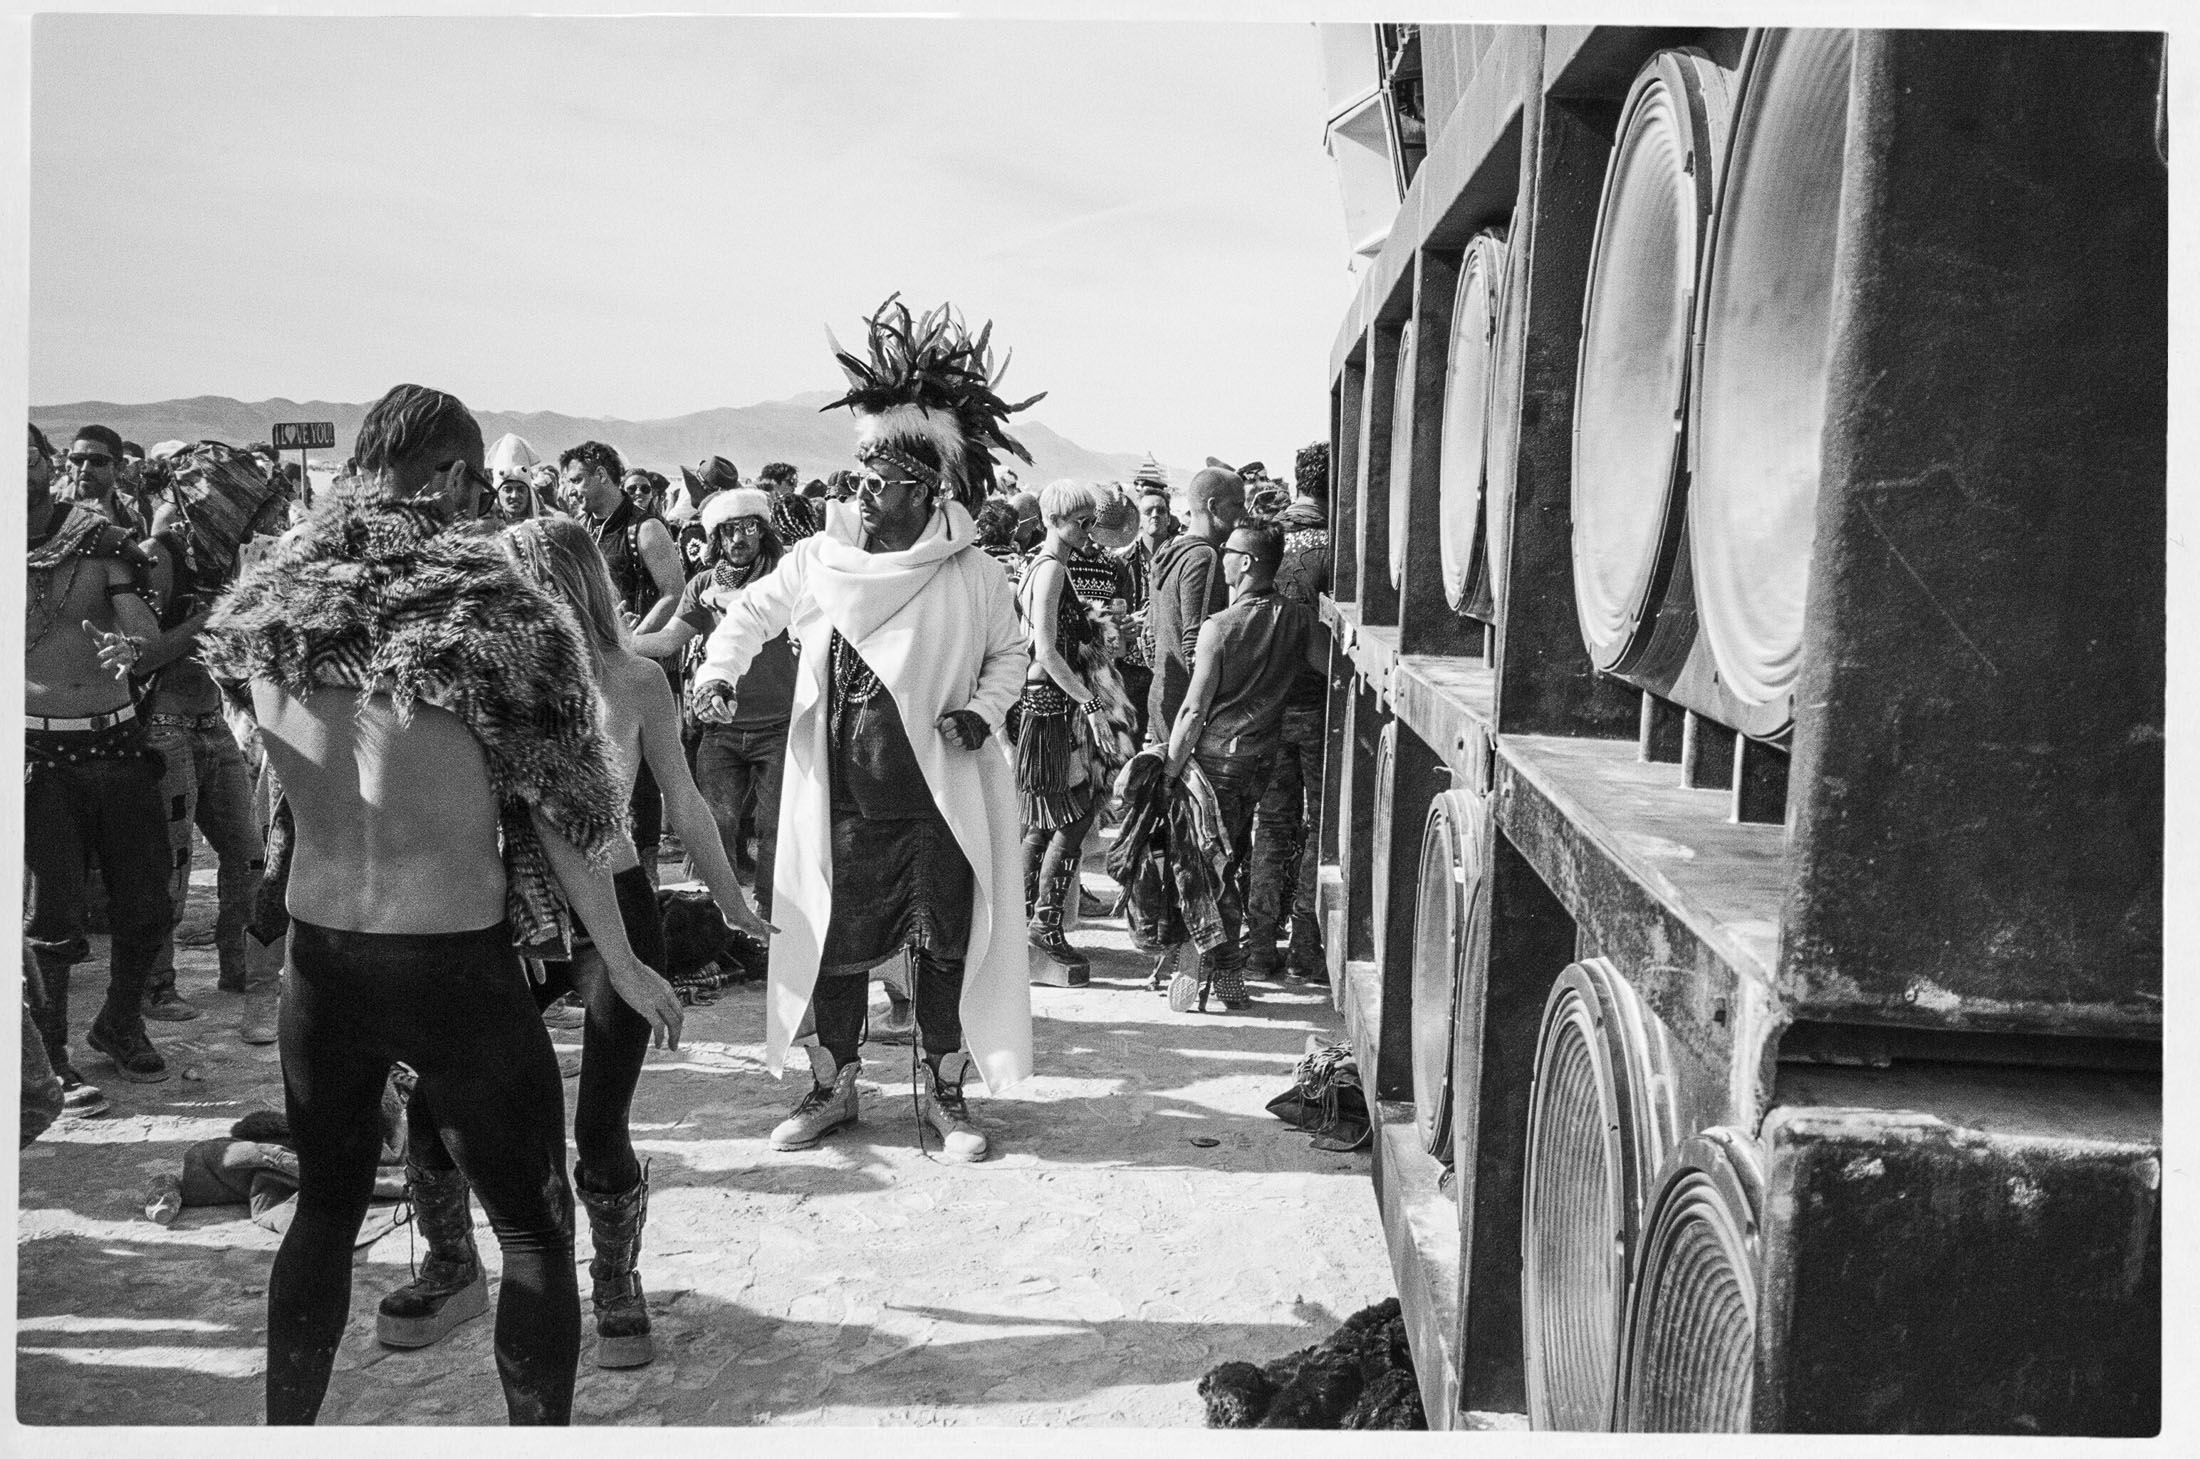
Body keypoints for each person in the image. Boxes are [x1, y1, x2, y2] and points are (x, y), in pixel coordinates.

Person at [199, 383, 680, 1426]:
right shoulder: (491, 612)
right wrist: (625, 961)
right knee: (535, 1231)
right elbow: (567, 812)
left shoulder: (272, 604)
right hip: (450, 963)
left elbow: (248, 727)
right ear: (455, 477)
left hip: (323, 962)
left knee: (324, 1215)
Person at [383, 516, 768, 1372]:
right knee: (440, 1092)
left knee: (600, 1123)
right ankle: (451, 1262)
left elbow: (684, 799)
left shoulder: (636, 679)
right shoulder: (487, 687)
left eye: (521, 586)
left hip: (616, 907)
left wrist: (732, 900)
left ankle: (615, 1279)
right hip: (505, 909)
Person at [691, 294, 1035, 1163]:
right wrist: (717, 674)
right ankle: (833, 1085)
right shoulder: (821, 559)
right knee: (833, 949)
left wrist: (980, 712)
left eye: (879, 483)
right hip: (840, 801)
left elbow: (1011, 656)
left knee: (945, 949)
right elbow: (750, 613)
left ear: (924, 489)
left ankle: (946, 1095)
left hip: (937, 804)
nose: (861, 493)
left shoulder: (974, 574)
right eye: (858, 478)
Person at [24, 421, 171, 1105]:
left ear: (47, 463)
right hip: (36, 755)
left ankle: (119, 1023)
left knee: (146, 905)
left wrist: (133, 647)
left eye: (27, 457)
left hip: (116, 745)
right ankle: (51, 1057)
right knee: (52, 921)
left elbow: (137, 616)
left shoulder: (97, 540)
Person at [129, 444, 283, 1029]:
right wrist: (214, 615)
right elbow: (144, 658)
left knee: (248, 855)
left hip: (212, 722)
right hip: (164, 726)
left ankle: (237, 966)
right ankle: (156, 985)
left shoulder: (222, 562)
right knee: (169, 864)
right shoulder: (158, 556)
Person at [1162, 521, 1319, 1011]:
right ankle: (1213, 967)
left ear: (1246, 562)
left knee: (1203, 865)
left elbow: (1193, 711)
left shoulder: (1219, 627)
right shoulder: (1298, 620)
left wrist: (1169, 770)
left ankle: (1217, 968)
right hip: (1261, 761)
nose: (1221, 556)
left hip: (1216, 762)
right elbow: (1333, 668)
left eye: (1228, 550)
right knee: (1230, 860)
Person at [632, 486, 796, 918]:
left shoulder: (785, 579)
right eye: (728, 531)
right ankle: (715, 916)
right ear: (716, 538)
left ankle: (769, 913)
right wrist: (617, 642)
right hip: (719, 725)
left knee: (774, 827)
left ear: (763, 532)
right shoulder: (704, 584)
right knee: (714, 821)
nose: (738, 539)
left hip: (780, 726)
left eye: (748, 528)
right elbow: (669, 641)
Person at [562, 441, 687, 884]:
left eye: (578, 479)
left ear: (602, 474)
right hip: (593, 667)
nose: (571, 489)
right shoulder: (583, 528)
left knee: (647, 769)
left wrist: (630, 643)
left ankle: (645, 874)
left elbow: (674, 591)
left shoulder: (645, 529)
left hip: (639, 666)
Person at [1014, 482, 1119, 982]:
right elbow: (1046, 651)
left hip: (1045, 705)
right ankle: (1043, 928)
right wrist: (1091, 703)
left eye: (1091, 521)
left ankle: (1026, 924)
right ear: (1053, 520)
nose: (1088, 530)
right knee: (1073, 814)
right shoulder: (1052, 569)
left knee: (1046, 819)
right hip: (1053, 708)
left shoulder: (1040, 565)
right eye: (1081, 521)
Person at [1246, 440, 1334, 982]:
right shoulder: (1340, 545)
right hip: (1320, 708)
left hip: (1267, 707)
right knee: (1319, 826)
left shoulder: (1262, 541)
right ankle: (1306, 944)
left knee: (1272, 824)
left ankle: (1259, 945)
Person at [1146, 466, 1244, 740]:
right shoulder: (1204, 556)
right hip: (1184, 711)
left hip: (1163, 698)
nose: (1244, 513)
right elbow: (1195, 647)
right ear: (1213, 507)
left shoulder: (1169, 551)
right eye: (1237, 505)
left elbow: (1149, 636)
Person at [1114, 476, 1176, 743]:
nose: (1155, 515)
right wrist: (1123, 626)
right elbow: (1110, 610)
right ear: (1138, 519)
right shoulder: (1121, 561)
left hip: (1169, 665)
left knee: (1166, 741)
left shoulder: (1180, 557)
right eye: (1148, 510)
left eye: (1161, 510)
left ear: (1169, 517)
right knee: (1130, 740)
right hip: (1132, 666)